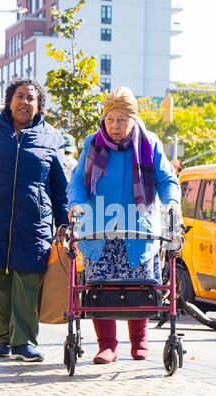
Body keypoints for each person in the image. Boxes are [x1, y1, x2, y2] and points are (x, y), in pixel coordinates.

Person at [68, 86, 181, 364]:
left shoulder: (149, 143)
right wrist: (76, 204)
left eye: (121, 120)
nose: (115, 126)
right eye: (110, 120)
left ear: (133, 119)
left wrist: (171, 202)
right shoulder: (92, 144)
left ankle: (139, 342)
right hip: (100, 229)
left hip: (139, 229)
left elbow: (167, 180)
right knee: (100, 288)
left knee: (139, 288)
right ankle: (107, 345)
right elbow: (77, 182)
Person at [0, 79, 68, 362]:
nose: (25, 102)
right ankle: (5, 339)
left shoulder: (51, 136)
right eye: (20, 96)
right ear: (9, 100)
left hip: (34, 222)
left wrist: (63, 221)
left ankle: (24, 342)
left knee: (28, 281)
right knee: (0, 281)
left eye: (31, 98)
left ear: (39, 105)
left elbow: (59, 185)